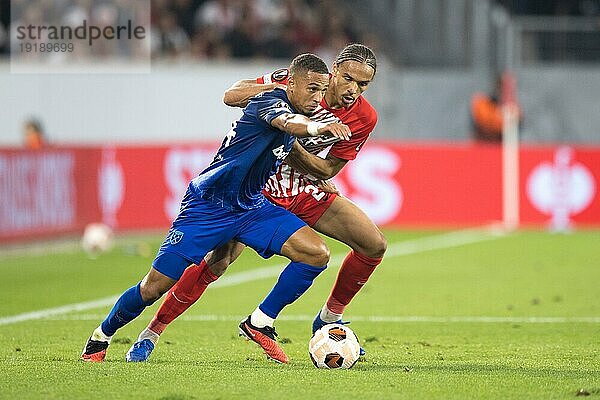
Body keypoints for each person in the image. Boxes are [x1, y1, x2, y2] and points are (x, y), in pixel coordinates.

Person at [81, 53, 353, 363]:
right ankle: (100, 337)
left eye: (321, 91)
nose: (317, 98)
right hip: (207, 207)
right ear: (290, 83)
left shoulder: (300, 112)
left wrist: (318, 179)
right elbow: (289, 123)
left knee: (316, 254)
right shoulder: (271, 102)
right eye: (311, 89)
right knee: (154, 287)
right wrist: (320, 128)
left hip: (251, 208)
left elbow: (293, 154)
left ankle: (260, 322)